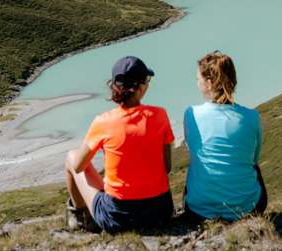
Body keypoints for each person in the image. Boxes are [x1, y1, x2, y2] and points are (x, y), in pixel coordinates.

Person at [65, 55, 175, 233]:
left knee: (71, 157)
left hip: (118, 218)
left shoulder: (103, 122)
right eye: (147, 81)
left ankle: (81, 218)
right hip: (160, 213)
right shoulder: (160, 115)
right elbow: (167, 167)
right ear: (139, 88)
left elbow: (78, 167)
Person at [183, 51, 267, 221]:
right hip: (248, 209)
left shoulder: (191, 114)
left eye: (198, 78)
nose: (196, 82)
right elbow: (254, 159)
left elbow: (192, 150)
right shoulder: (252, 116)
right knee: (253, 166)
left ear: (208, 83)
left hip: (198, 210)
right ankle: (241, 200)